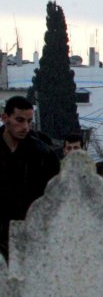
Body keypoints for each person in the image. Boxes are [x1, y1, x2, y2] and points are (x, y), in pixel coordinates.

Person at [0, 96, 60, 259]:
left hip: (30, 235)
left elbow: (53, 196)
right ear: (5, 118)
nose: (25, 127)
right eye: (19, 120)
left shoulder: (43, 155)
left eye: (29, 121)